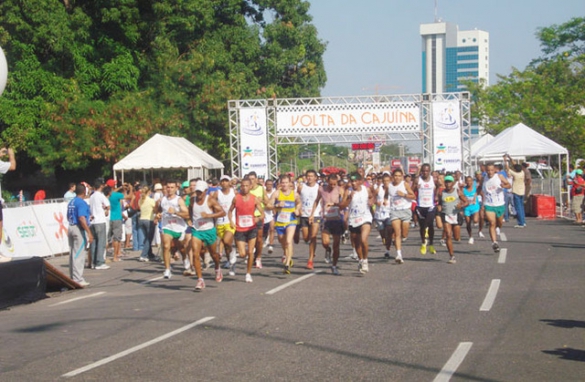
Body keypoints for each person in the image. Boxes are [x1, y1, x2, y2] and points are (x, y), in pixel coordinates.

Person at [189, 180, 225, 291]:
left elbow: (222, 212)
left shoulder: (210, 200)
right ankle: (200, 280)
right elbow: (190, 210)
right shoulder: (192, 200)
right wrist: (190, 220)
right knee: (195, 254)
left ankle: (217, 268)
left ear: (206, 191)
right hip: (197, 230)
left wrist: (209, 215)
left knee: (214, 255)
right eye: (197, 192)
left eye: (200, 192)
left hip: (209, 230)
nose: (198, 194)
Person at [228, 177, 265, 282]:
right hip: (240, 228)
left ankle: (248, 274)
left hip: (251, 228)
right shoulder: (236, 198)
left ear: (250, 186)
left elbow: (262, 213)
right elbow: (230, 211)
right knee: (242, 254)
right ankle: (234, 258)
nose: (244, 188)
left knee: (250, 252)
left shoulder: (254, 199)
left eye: (246, 186)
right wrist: (231, 221)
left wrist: (258, 218)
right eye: (242, 186)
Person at [339, 172, 374, 274]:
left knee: (364, 240)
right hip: (353, 219)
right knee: (357, 243)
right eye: (352, 181)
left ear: (360, 181)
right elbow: (341, 206)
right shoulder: (348, 192)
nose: (353, 183)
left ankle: (365, 261)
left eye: (355, 181)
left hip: (365, 218)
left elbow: (372, 197)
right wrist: (349, 198)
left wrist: (371, 202)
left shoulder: (366, 190)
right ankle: (361, 260)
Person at [311, 173, 344, 275]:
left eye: (334, 184)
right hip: (326, 219)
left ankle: (334, 266)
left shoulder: (340, 189)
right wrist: (312, 214)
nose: (332, 186)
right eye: (331, 184)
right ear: (327, 181)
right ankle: (327, 250)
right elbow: (316, 201)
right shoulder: (322, 189)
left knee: (336, 244)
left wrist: (335, 205)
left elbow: (343, 204)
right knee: (325, 242)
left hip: (337, 219)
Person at [156, 180, 190, 279]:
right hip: (167, 226)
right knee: (166, 246)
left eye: (172, 187)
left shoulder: (179, 200)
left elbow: (187, 214)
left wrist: (175, 212)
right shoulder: (162, 200)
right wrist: (157, 215)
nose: (170, 189)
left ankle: (184, 258)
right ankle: (167, 269)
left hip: (179, 227)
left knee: (182, 248)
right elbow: (158, 210)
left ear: (176, 189)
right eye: (168, 187)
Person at [268, 174, 300, 274]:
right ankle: (287, 255)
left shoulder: (294, 194)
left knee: (288, 241)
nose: (285, 185)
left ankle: (287, 264)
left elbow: (299, 203)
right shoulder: (276, 194)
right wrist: (277, 205)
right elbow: (269, 205)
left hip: (291, 221)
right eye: (283, 183)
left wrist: (297, 210)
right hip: (280, 221)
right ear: (280, 183)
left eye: (286, 183)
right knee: (282, 241)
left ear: (290, 183)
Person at [67, 183, 94, 287]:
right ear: (84, 192)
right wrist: (89, 232)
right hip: (78, 228)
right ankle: (78, 278)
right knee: (79, 254)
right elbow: (81, 218)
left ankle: (73, 277)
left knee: (73, 254)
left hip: (71, 226)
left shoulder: (72, 202)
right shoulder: (81, 203)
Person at [387, 169, 415, 264]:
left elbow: (413, 196)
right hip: (394, 211)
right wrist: (385, 200)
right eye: (395, 176)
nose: (397, 177)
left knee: (404, 234)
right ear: (392, 176)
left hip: (405, 210)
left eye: (399, 176)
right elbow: (387, 195)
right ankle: (399, 255)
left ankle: (404, 237)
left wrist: (404, 194)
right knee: (397, 233)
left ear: (402, 176)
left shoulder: (404, 184)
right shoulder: (389, 185)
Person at [437, 175, 468, 264]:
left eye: (449, 182)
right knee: (448, 235)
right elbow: (439, 203)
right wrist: (439, 207)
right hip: (446, 215)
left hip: (456, 215)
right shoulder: (442, 193)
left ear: (453, 183)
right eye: (446, 182)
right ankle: (452, 256)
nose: (448, 184)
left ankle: (457, 237)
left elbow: (466, 202)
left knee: (456, 237)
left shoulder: (457, 192)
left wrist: (461, 205)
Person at [481, 164, 511, 253]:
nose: (489, 172)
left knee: (499, 222)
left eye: (491, 170)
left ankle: (498, 227)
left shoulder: (499, 176)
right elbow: (481, 189)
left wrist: (504, 186)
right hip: (489, 204)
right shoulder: (484, 178)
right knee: (492, 223)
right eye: (488, 170)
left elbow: (509, 185)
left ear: (494, 170)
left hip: (499, 204)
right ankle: (494, 242)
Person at [298, 170, 321, 270]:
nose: (309, 178)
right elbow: (297, 198)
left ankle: (310, 259)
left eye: (312, 176)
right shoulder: (301, 186)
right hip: (304, 215)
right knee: (306, 237)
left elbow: (320, 200)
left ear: (316, 178)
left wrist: (313, 214)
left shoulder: (319, 188)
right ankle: (312, 252)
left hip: (315, 215)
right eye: (308, 176)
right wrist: (298, 208)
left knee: (313, 236)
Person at [413, 164, 437, 255]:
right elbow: (411, 190)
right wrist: (416, 187)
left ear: (429, 171)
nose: (425, 173)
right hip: (420, 206)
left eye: (427, 171)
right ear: (421, 171)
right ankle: (423, 242)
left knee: (429, 223)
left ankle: (431, 244)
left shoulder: (433, 179)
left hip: (430, 205)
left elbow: (439, 187)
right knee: (422, 226)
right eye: (423, 171)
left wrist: (437, 195)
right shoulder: (417, 180)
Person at [247, 171, 270, 269]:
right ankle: (251, 255)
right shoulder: (246, 189)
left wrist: (262, 201)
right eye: (250, 179)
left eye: (253, 179)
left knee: (259, 238)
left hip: (258, 216)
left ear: (256, 179)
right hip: (248, 217)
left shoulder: (261, 189)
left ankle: (258, 258)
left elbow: (267, 202)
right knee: (250, 239)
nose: (251, 181)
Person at [214, 175, 236, 268]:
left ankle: (233, 253)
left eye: (226, 181)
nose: (224, 183)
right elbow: (211, 204)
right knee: (226, 244)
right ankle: (229, 259)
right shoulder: (217, 193)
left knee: (227, 241)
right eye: (222, 181)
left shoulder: (233, 192)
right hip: (219, 222)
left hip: (230, 220)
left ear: (229, 182)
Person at [89, 178, 110, 270]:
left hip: (93, 222)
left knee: (94, 243)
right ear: (101, 186)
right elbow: (108, 205)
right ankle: (100, 262)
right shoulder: (100, 195)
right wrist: (106, 210)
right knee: (101, 242)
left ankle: (93, 262)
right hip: (100, 221)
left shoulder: (91, 196)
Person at [504, 154, 527, 228]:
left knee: (518, 208)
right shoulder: (522, 172)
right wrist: (510, 158)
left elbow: (507, 168)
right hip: (522, 191)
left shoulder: (515, 174)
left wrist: (506, 161)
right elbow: (515, 165)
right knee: (521, 207)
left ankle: (521, 223)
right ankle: (523, 222)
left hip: (516, 192)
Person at [107, 179, 125, 262]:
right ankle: (115, 256)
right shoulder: (117, 195)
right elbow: (128, 196)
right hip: (117, 217)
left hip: (109, 218)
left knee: (108, 238)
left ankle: (104, 255)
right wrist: (128, 189)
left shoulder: (106, 195)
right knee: (117, 238)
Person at [138, 185, 156, 261]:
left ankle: (150, 254)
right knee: (149, 239)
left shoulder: (140, 200)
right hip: (149, 220)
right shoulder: (151, 200)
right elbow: (155, 209)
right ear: (149, 192)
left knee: (147, 238)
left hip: (141, 219)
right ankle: (143, 255)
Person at [462, 176, 480, 243]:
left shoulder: (475, 189)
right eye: (467, 181)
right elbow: (461, 197)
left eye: (470, 181)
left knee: (475, 220)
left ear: (472, 182)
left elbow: (481, 193)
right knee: (468, 223)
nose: (469, 182)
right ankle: (470, 237)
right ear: (465, 182)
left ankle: (476, 220)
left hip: (475, 207)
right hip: (467, 208)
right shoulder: (463, 189)